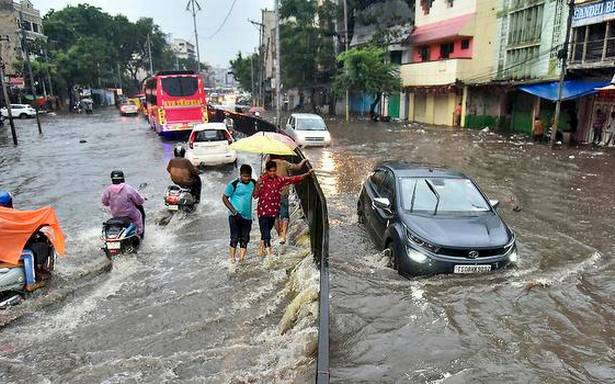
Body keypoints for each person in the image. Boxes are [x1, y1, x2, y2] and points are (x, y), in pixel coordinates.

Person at [253, 160, 313, 257]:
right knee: (266, 233)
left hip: (273, 211)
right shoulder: (262, 180)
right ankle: (269, 255)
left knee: (266, 231)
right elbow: (255, 196)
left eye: (274, 171)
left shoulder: (279, 180)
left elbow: (292, 179)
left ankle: (261, 249)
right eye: (270, 171)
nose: (272, 173)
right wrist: (257, 185)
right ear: (267, 170)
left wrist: (306, 175)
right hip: (263, 211)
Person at [266, 155, 308, 244]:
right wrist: (303, 161)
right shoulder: (284, 163)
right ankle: (284, 236)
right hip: (283, 193)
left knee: (275, 216)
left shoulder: (268, 165)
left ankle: (279, 235)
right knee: (284, 215)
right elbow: (297, 167)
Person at [222, 164, 256, 263]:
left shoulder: (253, 183)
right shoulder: (233, 184)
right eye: (244, 176)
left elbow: (255, 195)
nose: (246, 179)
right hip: (234, 216)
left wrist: (259, 184)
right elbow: (224, 198)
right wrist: (234, 212)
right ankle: (232, 259)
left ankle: (241, 260)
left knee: (245, 238)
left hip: (248, 217)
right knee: (234, 237)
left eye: (248, 176)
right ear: (240, 175)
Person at [101, 170, 145, 237]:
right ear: (123, 178)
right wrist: (143, 199)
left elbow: (104, 202)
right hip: (129, 214)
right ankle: (139, 233)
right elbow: (139, 201)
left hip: (116, 214)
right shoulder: (128, 188)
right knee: (138, 216)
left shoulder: (108, 189)